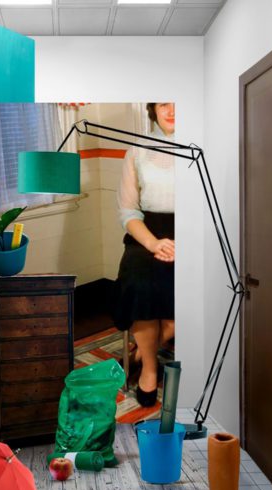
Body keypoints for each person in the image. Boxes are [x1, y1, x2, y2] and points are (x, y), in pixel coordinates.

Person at [112, 102, 175, 407]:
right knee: (139, 284)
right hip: (145, 236)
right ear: (153, 109)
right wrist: (153, 243)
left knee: (191, 295)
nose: (171, 111)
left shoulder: (204, 148)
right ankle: (149, 367)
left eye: (178, 103)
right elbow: (128, 211)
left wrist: (188, 242)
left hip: (193, 234)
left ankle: (143, 350)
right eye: (164, 104)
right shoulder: (137, 151)